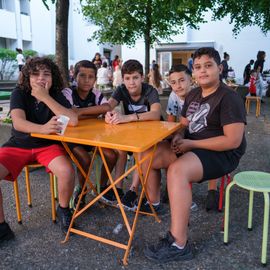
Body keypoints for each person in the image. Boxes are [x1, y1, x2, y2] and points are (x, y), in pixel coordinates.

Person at [143, 47, 246, 263]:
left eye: (208, 66)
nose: (203, 71)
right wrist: (179, 137)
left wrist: (189, 143)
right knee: (147, 154)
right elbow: (183, 125)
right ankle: (154, 205)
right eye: (198, 67)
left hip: (222, 153)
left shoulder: (229, 98)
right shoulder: (193, 95)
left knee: (178, 171)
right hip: (193, 146)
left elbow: (233, 141)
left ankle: (179, 243)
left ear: (220, 68)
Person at [0, 57, 79, 243]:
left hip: (47, 146)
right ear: (27, 77)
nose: (41, 78)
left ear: (53, 78)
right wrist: (42, 128)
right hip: (18, 145)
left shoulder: (55, 94)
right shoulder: (19, 93)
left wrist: (45, 97)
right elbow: (18, 123)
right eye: (35, 74)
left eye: (46, 74)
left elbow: (73, 120)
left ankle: (64, 209)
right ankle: (2, 227)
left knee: (67, 171)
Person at [101, 59, 161, 210]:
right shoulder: (121, 90)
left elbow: (156, 113)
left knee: (138, 152)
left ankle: (133, 189)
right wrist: (107, 114)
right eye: (127, 78)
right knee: (120, 149)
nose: (131, 82)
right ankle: (118, 189)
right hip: (132, 133)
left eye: (135, 77)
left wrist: (128, 117)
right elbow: (108, 106)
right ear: (123, 79)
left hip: (151, 133)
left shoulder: (150, 90)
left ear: (142, 77)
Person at [61, 60, 117, 210]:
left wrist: (80, 112)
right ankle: (82, 189)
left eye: (91, 77)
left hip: (91, 137)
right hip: (71, 138)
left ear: (95, 79)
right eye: (82, 75)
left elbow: (107, 107)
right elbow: (69, 114)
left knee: (111, 156)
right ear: (75, 76)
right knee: (84, 159)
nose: (86, 80)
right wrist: (93, 113)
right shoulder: (68, 92)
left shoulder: (96, 93)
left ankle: (101, 188)